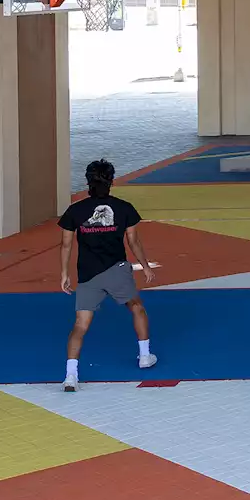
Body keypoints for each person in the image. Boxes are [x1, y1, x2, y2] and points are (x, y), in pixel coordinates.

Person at [59, 159, 157, 392]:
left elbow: (65, 245)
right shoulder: (124, 208)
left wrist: (64, 273)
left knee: (80, 325)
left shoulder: (75, 211)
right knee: (137, 307)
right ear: (111, 181)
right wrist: (145, 265)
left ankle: (70, 375)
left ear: (87, 181)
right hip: (117, 270)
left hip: (87, 275)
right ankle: (144, 355)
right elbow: (133, 241)